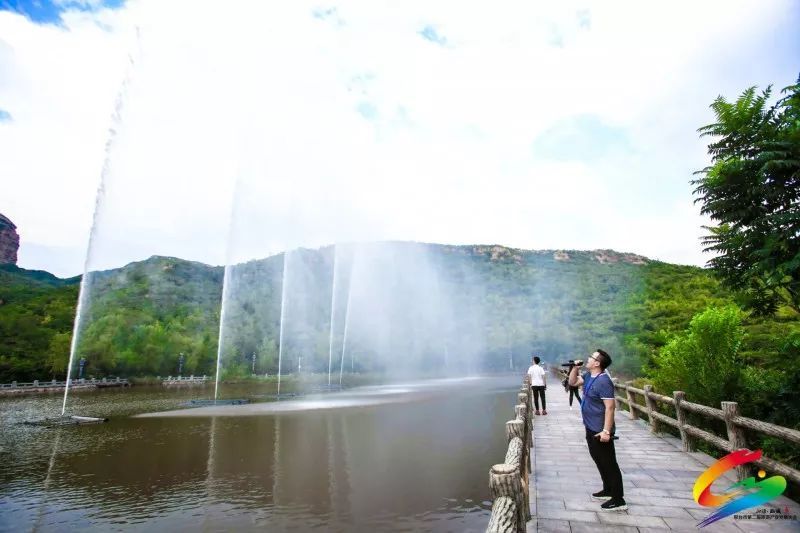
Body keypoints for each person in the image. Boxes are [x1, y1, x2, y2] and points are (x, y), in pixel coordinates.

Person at [568, 349, 626, 511]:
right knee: (598, 459)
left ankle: (618, 499)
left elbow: (610, 408)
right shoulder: (588, 376)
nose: (587, 359)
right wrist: (574, 368)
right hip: (590, 426)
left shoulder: (603, 381)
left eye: (591, 357)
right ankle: (608, 489)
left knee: (609, 463)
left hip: (601, 430)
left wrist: (606, 431)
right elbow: (572, 383)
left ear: (597, 363)